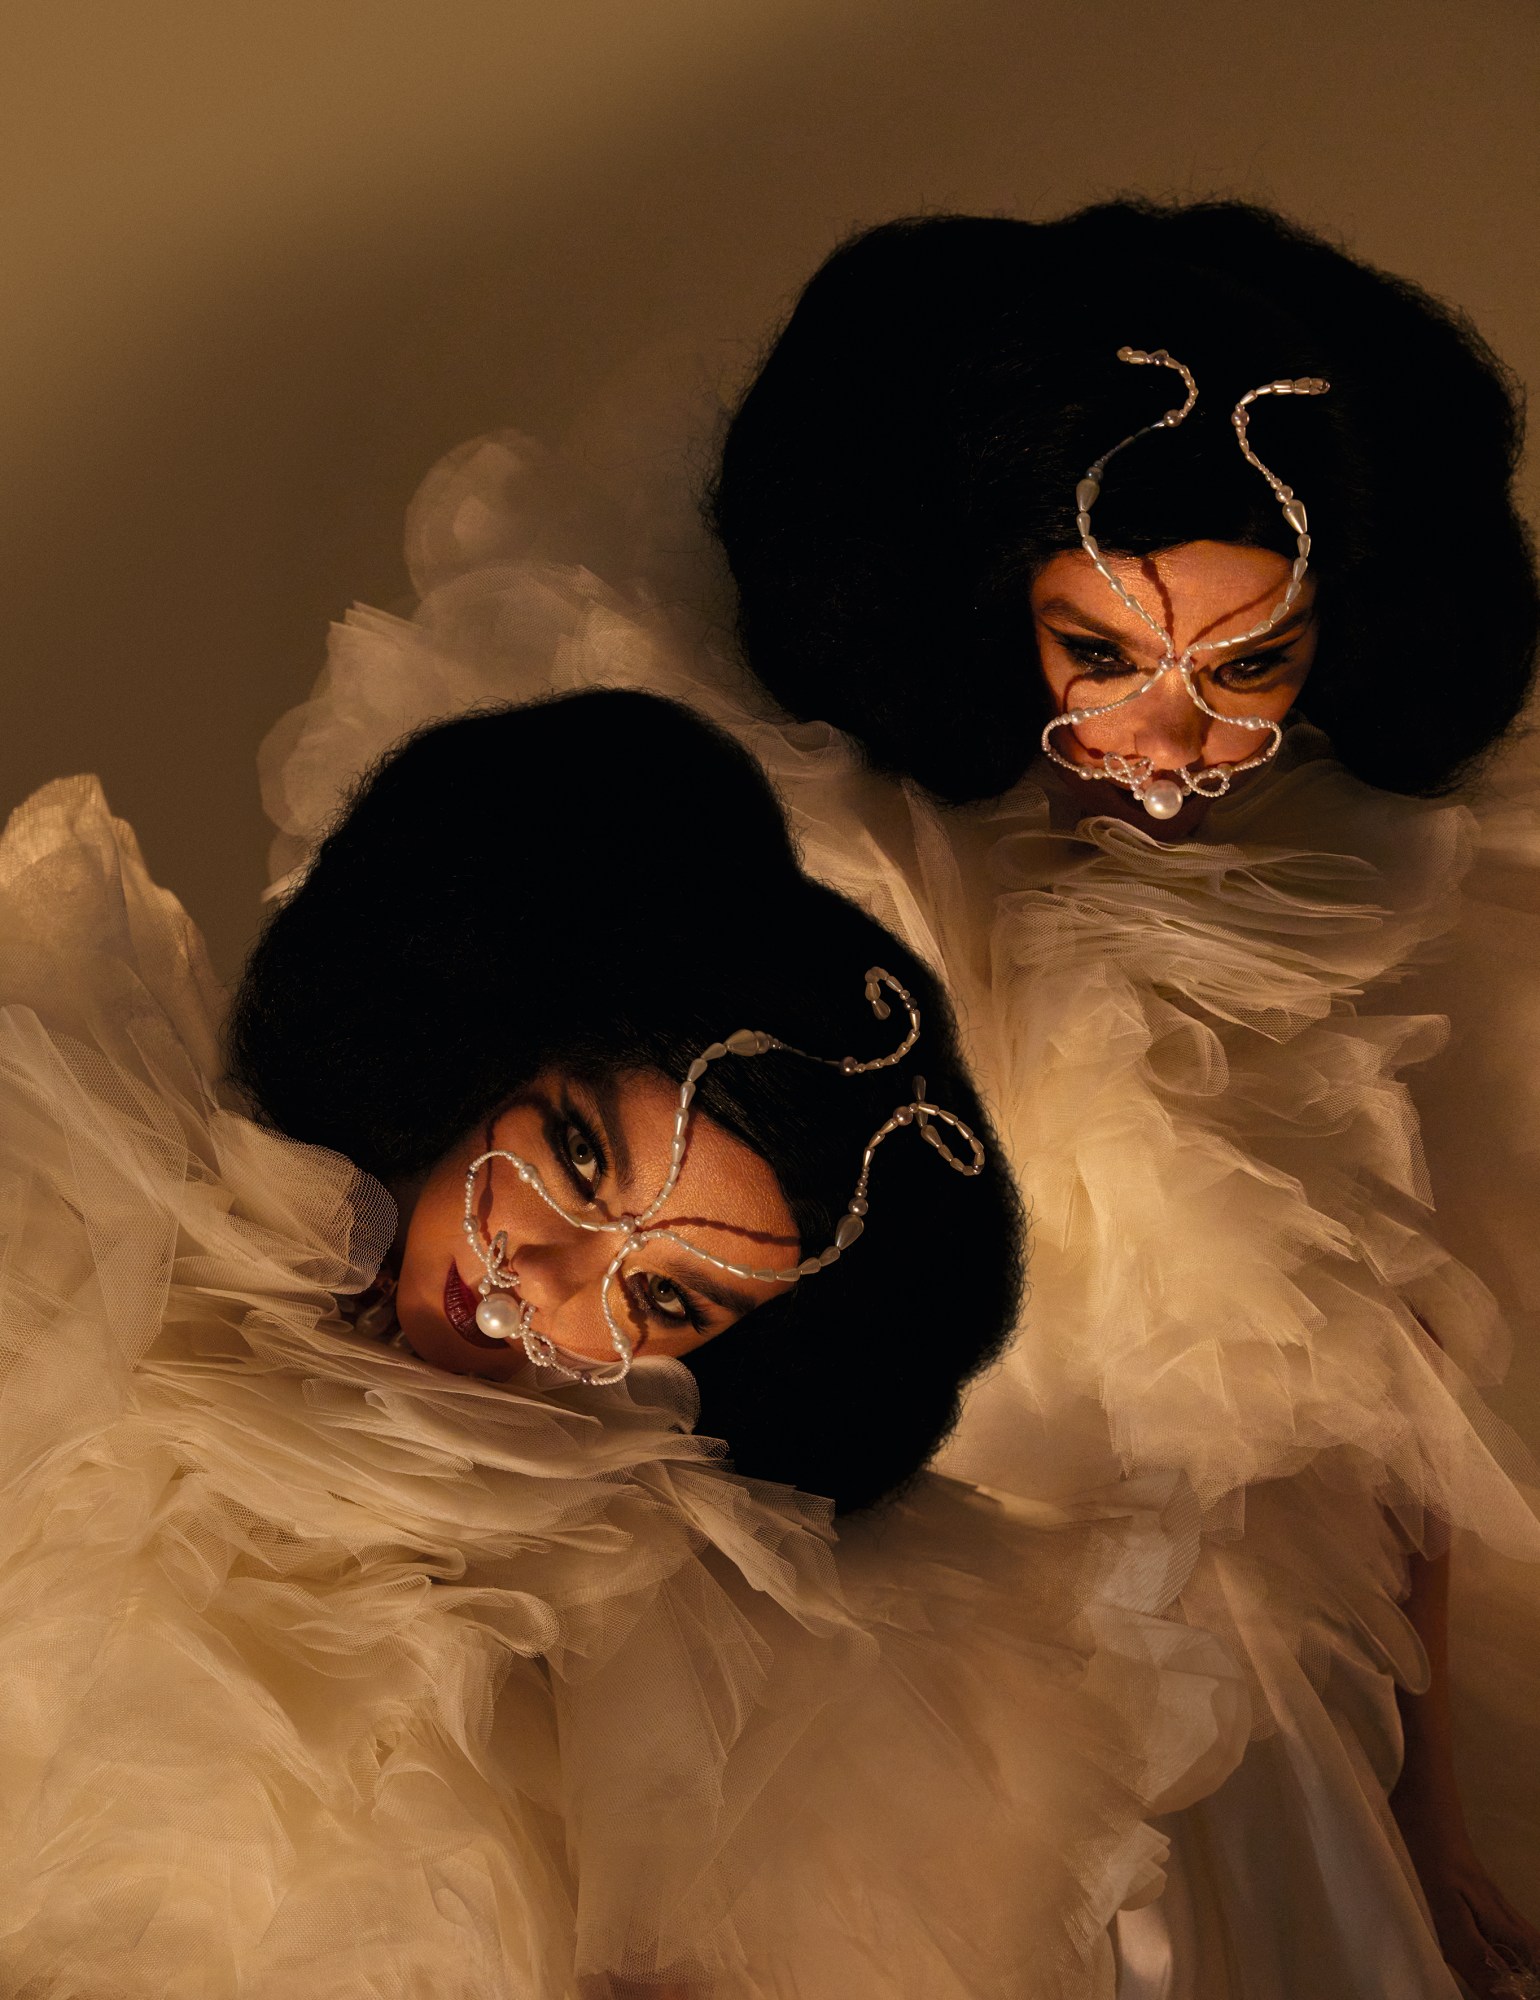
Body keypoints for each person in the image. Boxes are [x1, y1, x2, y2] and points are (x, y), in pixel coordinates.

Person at [0, 686, 1240, 1998]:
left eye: (665, 1298)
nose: (545, 1281)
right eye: (580, 1157)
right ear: (485, 1052)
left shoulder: (641, 1639)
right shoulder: (86, 1232)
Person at [704, 202, 1540, 1998]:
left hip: (1261, 1696)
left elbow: (1393, 1404)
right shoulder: (848, 898)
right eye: (1099, 650)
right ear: (992, 608)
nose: (1168, 741)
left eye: (1247, 667)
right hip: (916, 1711)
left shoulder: (1365, 907)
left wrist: (1430, 1810)